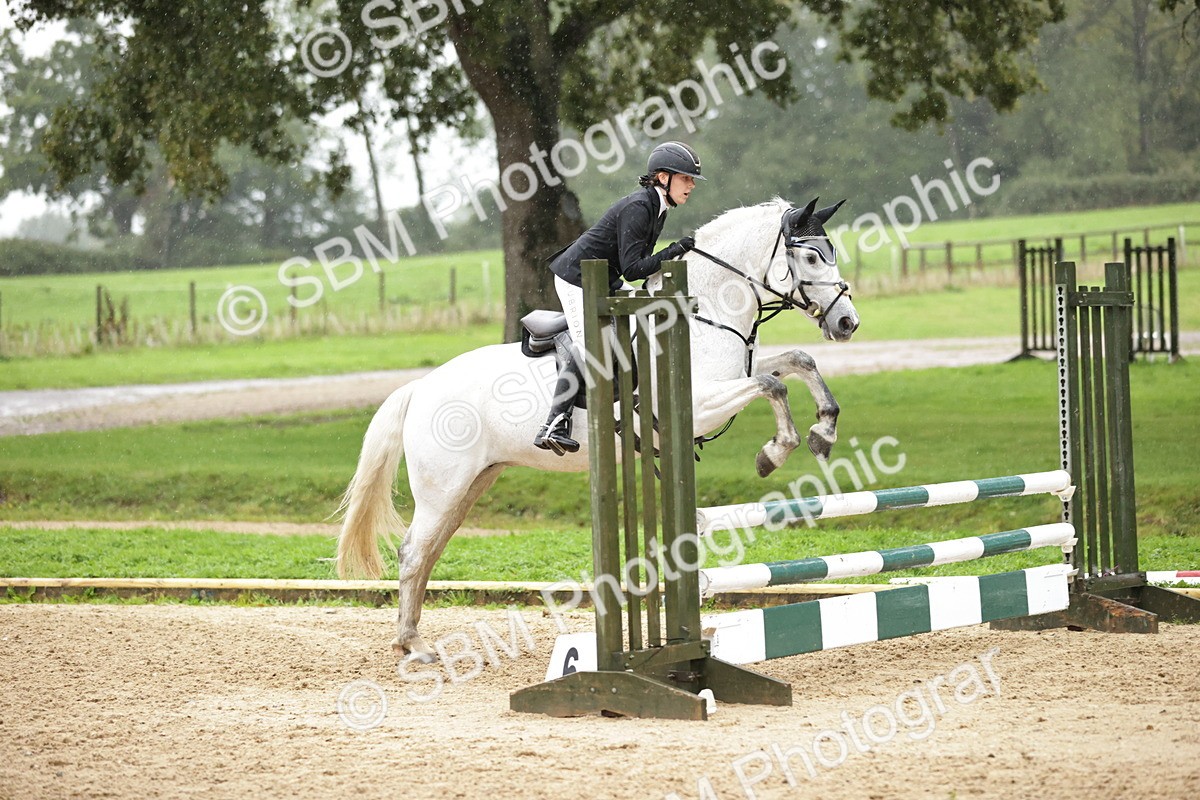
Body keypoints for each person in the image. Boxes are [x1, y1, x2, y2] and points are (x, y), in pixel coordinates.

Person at [533, 141, 705, 455]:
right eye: (686, 178)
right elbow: (635, 268)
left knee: (639, 321)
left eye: (692, 179)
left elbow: (634, 268)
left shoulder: (658, 208)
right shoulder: (641, 206)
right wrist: (675, 249)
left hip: (606, 279)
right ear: (663, 177)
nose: (691, 185)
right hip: (577, 279)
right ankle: (555, 422)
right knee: (595, 348)